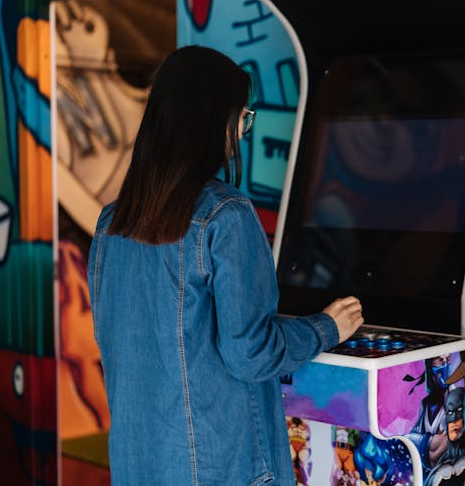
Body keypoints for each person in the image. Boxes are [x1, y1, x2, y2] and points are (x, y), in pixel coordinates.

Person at [88, 45, 364, 485]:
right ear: (214, 120)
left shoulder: (111, 223)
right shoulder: (224, 215)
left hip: (138, 467)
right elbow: (250, 353)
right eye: (244, 119)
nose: (242, 133)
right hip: (219, 469)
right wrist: (326, 327)